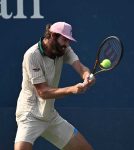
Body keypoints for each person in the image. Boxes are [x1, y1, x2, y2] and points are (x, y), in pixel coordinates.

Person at [14, 21, 95, 150]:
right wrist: (72, 89)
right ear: (52, 35)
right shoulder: (32, 55)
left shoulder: (64, 49)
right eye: (64, 39)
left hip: (49, 115)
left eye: (69, 40)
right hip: (29, 115)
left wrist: (86, 76)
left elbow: (80, 67)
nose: (67, 44)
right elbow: (43, 92)